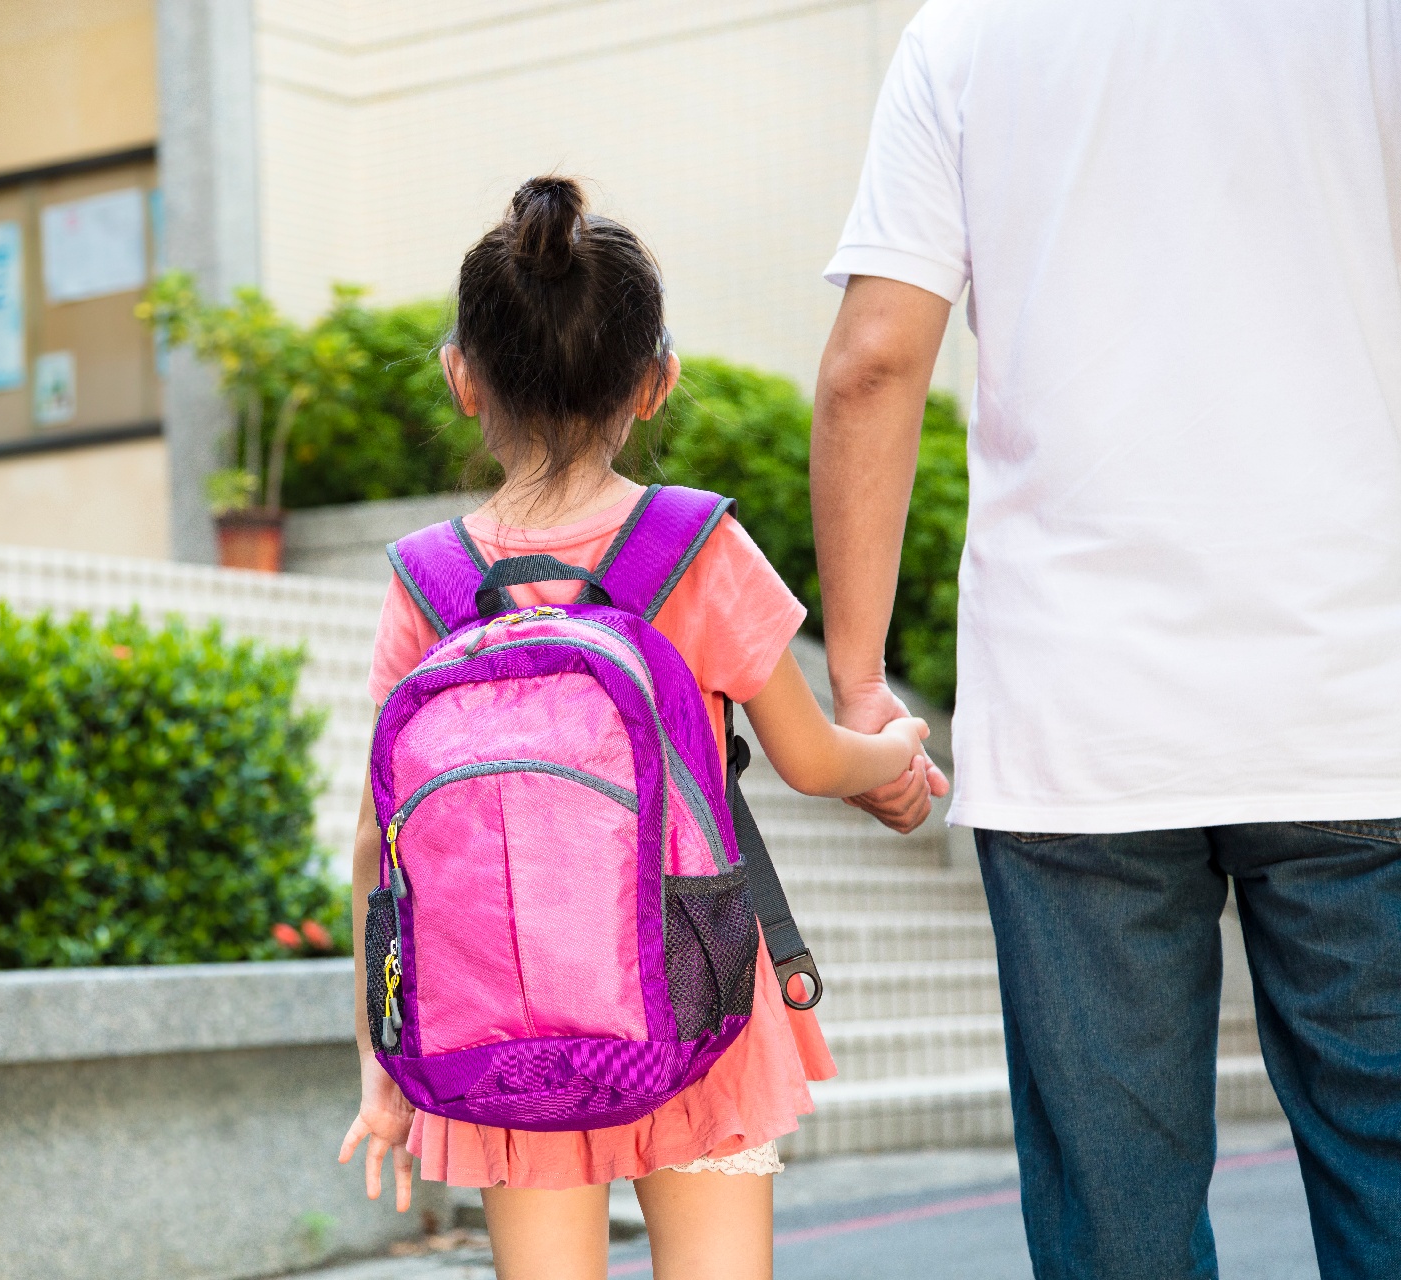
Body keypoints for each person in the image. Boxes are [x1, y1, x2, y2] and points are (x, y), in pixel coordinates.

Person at [810, 2, 1401, 1277]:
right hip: (1359, 701)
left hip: (1078, 726)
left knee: (1115, 1227)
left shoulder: (967, 38)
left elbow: (872, 360)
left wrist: (857, 684)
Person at [336, 176, 938, 1280]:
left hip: (501, 1022)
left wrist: (382, 1052)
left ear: (461, 377)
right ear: (655, 381)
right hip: (696, 984)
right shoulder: (693, 543)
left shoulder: (426, 583)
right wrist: (891, 756)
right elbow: (810, 759)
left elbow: (383, 839)